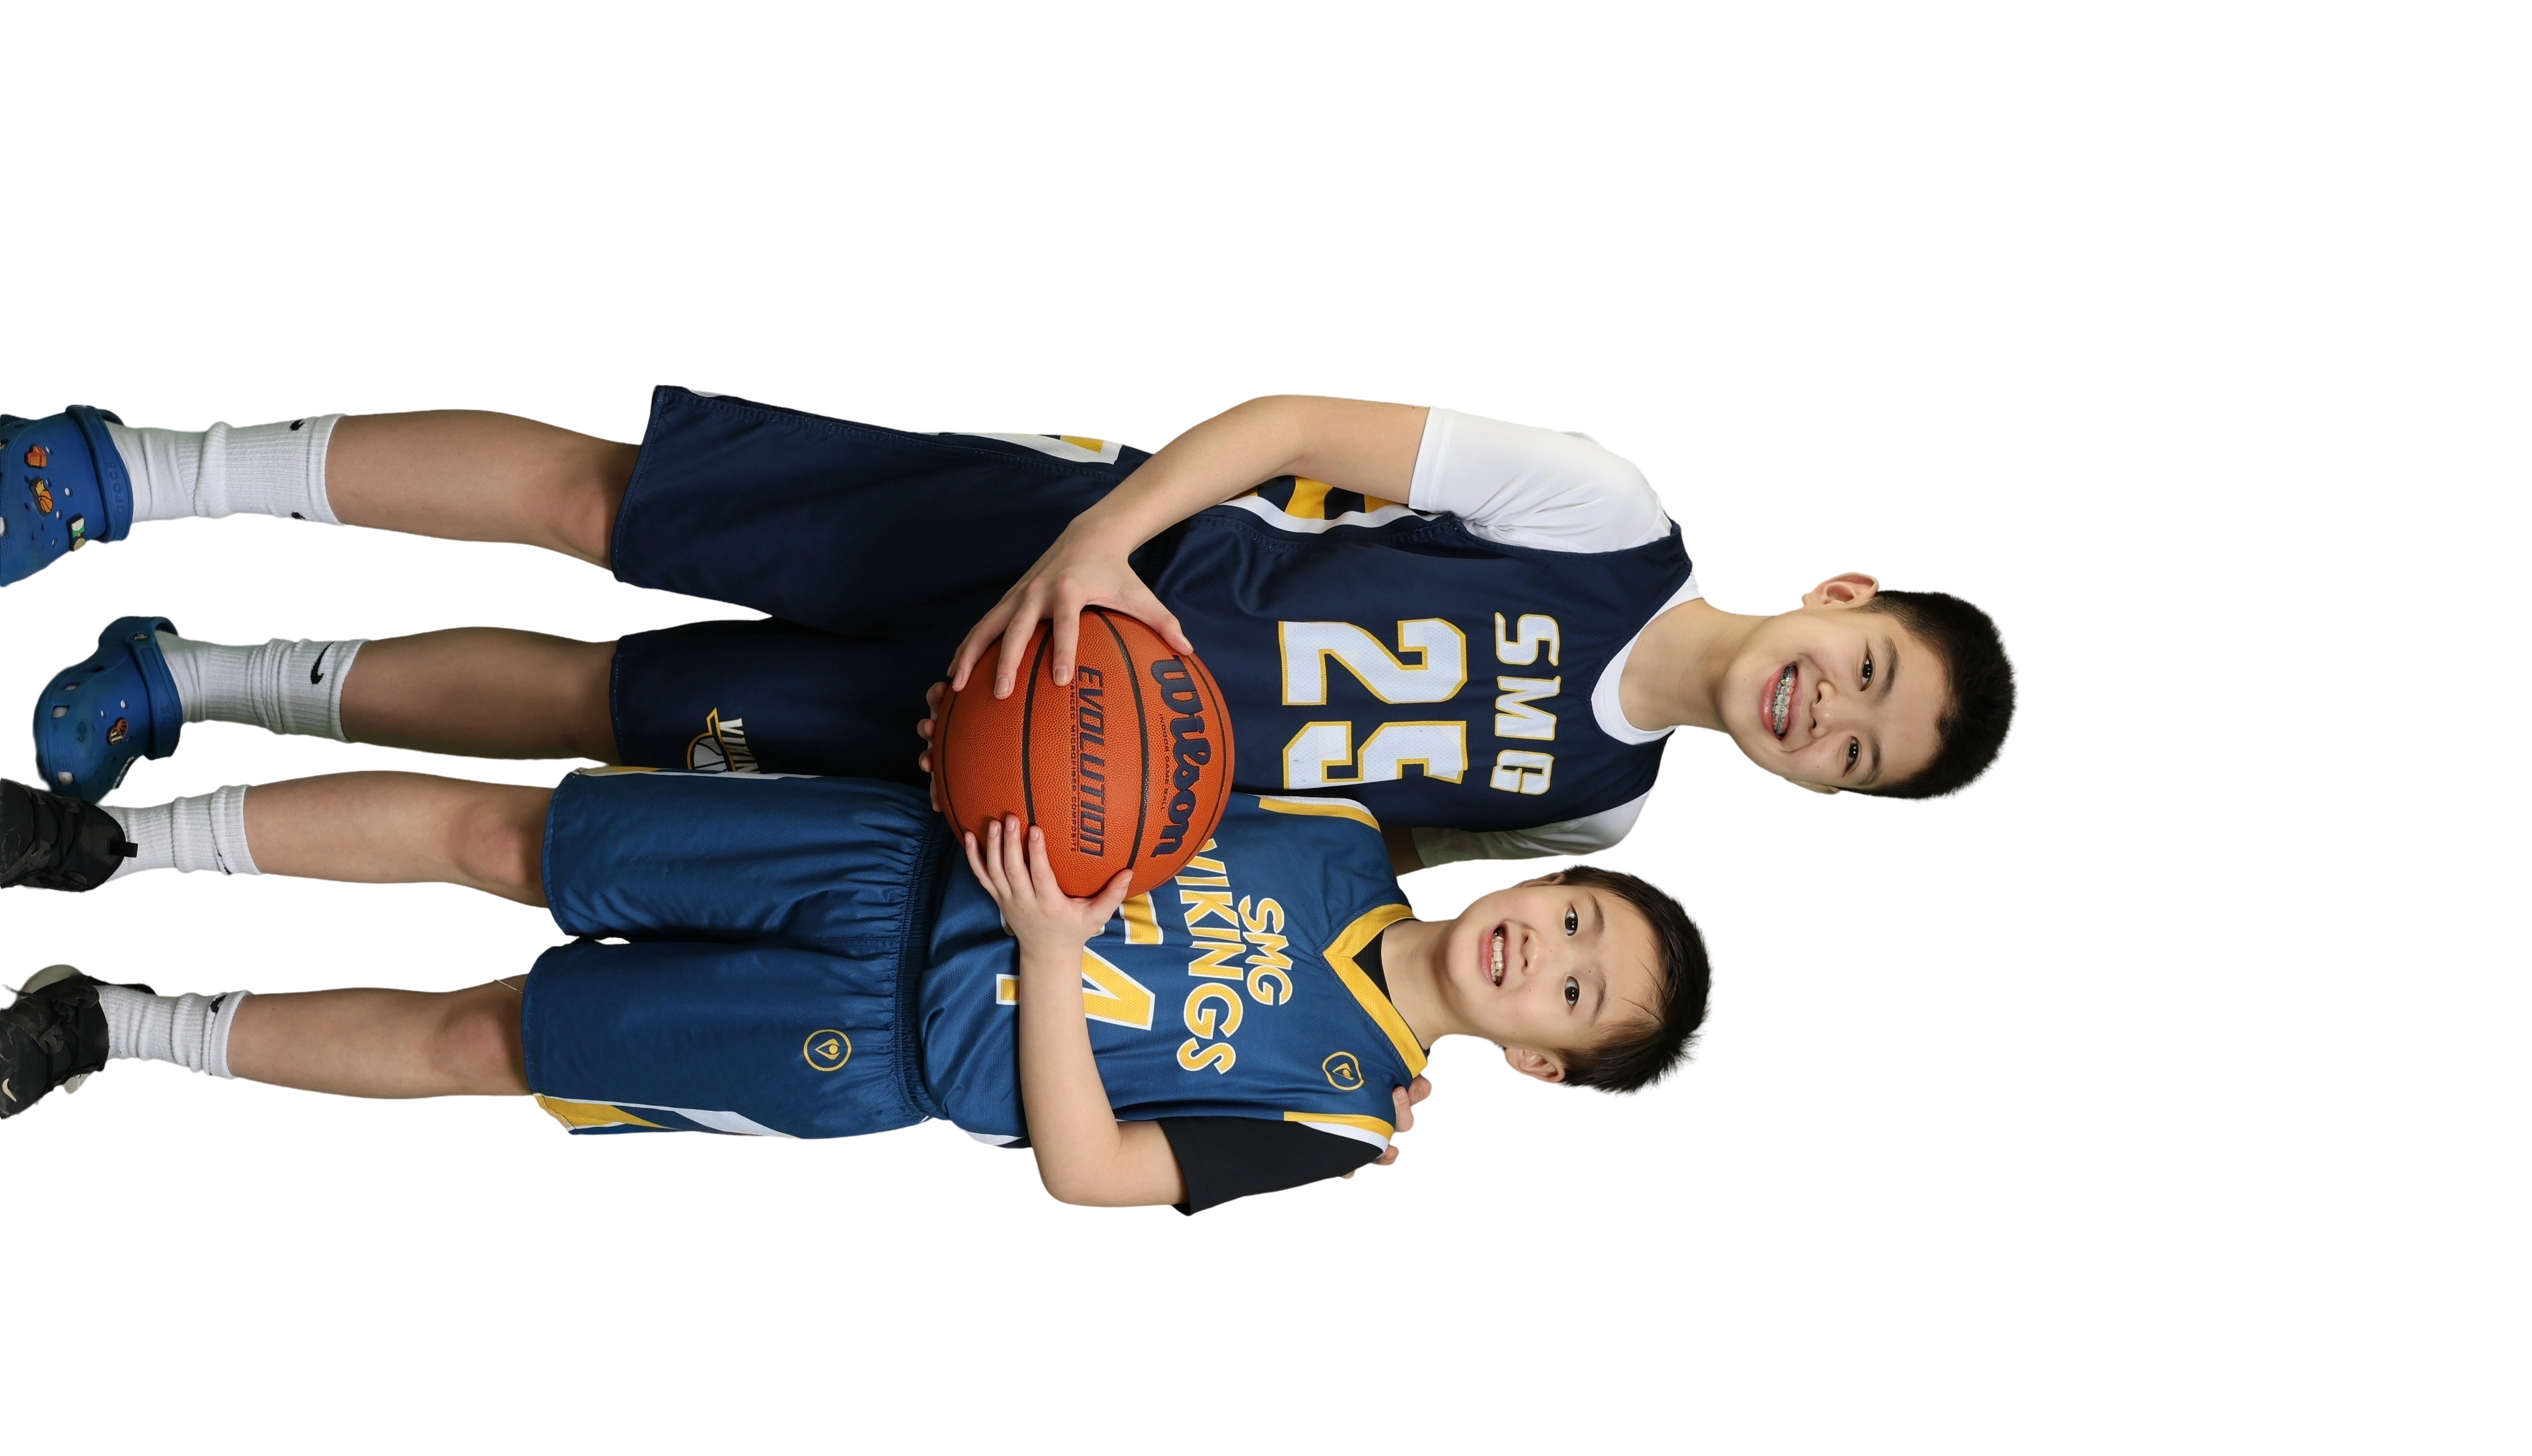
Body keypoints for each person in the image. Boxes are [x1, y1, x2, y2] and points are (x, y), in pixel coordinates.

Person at [10, 391, 2022, 874]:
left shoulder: (1599, 815)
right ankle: (133, 469)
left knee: (605, 711)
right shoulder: (1609, 519)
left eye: (1855, 754)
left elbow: (1324, 847)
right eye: (1868, 674)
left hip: (1030, 753)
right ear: (1846, 597)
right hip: (1075, 554)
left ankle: (190, 680)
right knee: (618, 510)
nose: (1823, 711)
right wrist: (1102, 551)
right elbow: (1296, 427)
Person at [0, 759, 1719, 1214]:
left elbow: (1094, 1172)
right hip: (878, 856)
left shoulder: (1341, 1122)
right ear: (1544, 876)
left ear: (1544, 1069)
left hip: (872, 1047)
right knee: (509, 836)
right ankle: (124, 848)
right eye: (1579, 920)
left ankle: (119, 1024)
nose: (1548, 956)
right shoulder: (1338, 827)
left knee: (486, 1039)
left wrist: (1053, 957)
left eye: (1578, 998)